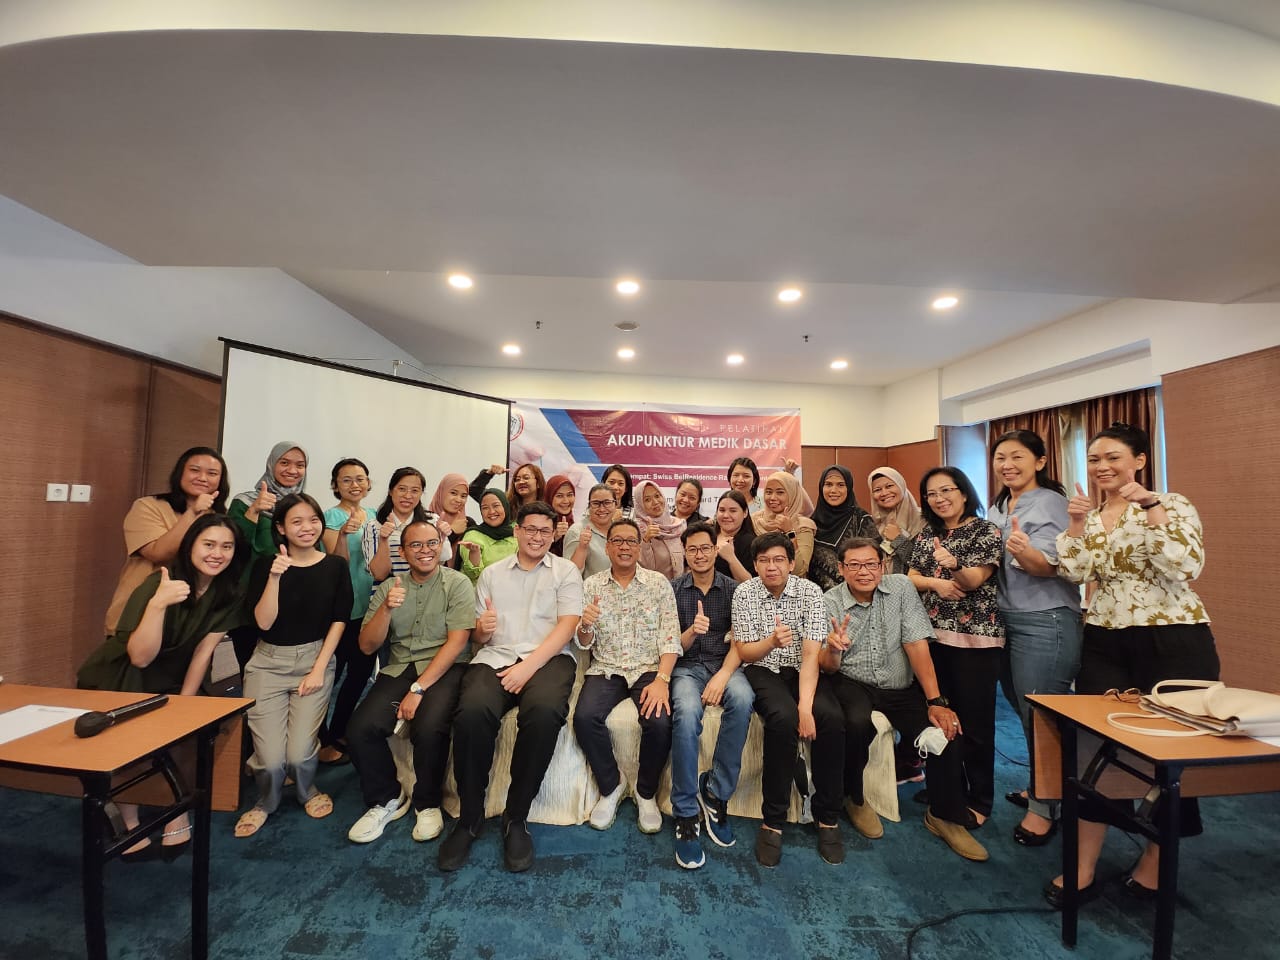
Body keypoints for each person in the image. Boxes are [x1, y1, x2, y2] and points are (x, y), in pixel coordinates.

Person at [1044, 422, 1218, 908]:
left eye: (1112, 457)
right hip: (1105, 636)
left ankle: (1155, 863)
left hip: (1174, 638)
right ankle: (1082, 866)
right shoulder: (1093, 514)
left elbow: (1185, 566)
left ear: (1139, 460)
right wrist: (1075, 524)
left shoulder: (1171, 503)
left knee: (1172, 750)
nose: (1102, 467)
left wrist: (1151, 506)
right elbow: (1075, 572)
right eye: (1094, 459)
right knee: (1095, 748)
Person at [78, 514, 249, 860]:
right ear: (190, 546)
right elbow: (140, 657)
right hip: (126, 672)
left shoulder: (228, 589)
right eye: (208, 544)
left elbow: (203, 652)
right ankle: (127, 819)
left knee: (192, 732)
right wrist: (159, 603)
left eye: (226, 546)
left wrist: (184, 703)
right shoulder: (159, 581)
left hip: (178, 672)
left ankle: (176, 809)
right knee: (129, 741)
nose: (217, 554)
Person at [819, 537, 988, 861]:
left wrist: (936, 701)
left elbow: (916, 644)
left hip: (899, 685)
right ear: (841, 569)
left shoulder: (901, 588)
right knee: (854, 724)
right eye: (854, 565)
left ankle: (944, 815)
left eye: (871, 564)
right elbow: (827, 667)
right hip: (853, 682)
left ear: (882, 565)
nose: (864, 572)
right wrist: (834, 650)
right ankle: (854, 798)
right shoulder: (830, 601)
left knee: (945, 731)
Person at [438, 502, 583, 873]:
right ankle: (470, 817)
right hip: (496, 656)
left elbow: (567, 626)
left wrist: (527, 668)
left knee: (545, 712)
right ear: (517, 531)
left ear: (553, 535)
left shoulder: (565, 571)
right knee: (472, 712)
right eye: (530, 529)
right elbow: (478, 636)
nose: (537, 537)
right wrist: (482, 630)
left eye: (545, 531)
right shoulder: (491, 573)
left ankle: (516, 816)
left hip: (548, 658)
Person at [345, 520, 476, 844]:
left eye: (431, 543)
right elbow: (367, 646)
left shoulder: (457, 583)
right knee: (360, 728)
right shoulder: (390, 587)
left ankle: (427, 802)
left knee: (429, 726)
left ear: (440, 546)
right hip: (399, 668)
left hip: (446, 667)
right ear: (402, 552)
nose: (425, 550)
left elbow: (458, 642)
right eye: (415, 545)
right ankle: (386, 798)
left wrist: (418, 689)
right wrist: (386, 610)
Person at [236, 493, 353, 838]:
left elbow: (339, 620)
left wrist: (319, 668)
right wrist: (275, 578)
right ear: (281, 528)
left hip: (315, 658)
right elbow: (263, 623)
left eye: (313, 520)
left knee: (299, 754)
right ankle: (266, 801)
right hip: (267, 663)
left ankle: (307, 790)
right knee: (271, 759)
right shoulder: (266, 565)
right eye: (297, 521)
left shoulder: (335, 566)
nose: (307, 527)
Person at [987, 430, 1082, 846]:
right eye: (1000, 457)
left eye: (1017, 456)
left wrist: (1022, 550)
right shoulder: (999, 505)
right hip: (1006, 618)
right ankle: (1044, 786)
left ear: (1040, 461)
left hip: (1044, 620)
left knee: (1042, 713)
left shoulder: (1051, 503)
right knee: (1022, 707)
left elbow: (1048, 566)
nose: (1007, 465)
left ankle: (1046, 807)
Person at [733, 531, 845, 867]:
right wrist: (770, 642)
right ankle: (773, 821)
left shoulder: (810, 592)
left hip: (801, 669)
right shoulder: (744, 593)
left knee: (831, 718)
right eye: (764, 560)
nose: (772, 566)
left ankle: (828, 817)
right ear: (755, 565)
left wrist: (806, 707)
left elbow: (811, 654)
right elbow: (745, 653)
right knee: (782, 719)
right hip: (762, 667)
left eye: (779, 559)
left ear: (792, 563)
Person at [906, 467, 1004, 829]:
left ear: (964, 493)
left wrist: (955, 565)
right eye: (931, 494)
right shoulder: (926, 534)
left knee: (974, 722)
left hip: (975, 640)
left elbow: (975, 579)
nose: (939, 499)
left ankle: (979, 799)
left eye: (946, 490)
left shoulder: (985, 531)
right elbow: (911, 577)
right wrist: (937, 583)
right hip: (931, 638)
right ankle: (946, 787)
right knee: (938, 716)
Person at [574, 518, 682, 835]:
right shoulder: (592, 585)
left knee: (659, 722)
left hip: (648, 667)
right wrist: (585, 625)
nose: (624, 546)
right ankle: (612, 784)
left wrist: (662, 680)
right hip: (606, 667)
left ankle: (645, 792)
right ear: (607, 547)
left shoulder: (658, 584)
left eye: (631, 541)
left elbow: (671, 637)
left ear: (639, 546)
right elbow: (584, 643)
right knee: (584, 717)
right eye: (617, 541)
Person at [668, 521, 753, 869]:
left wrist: (722, 675)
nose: (699, 554)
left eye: (705, 548)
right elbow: (670, 646)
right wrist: (691, 631)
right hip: (686, 668)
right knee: (687, 714)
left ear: (716, 550)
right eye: (692, 549)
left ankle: (716, 793)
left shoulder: (734, 590)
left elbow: (742, 642)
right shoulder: (673, 590)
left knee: (744, 700)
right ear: (685, 553)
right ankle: (686, 812)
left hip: (725, 666)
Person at [103, 446, 230, 637]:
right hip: (141, 613)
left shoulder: (219, 517)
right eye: (195, 470)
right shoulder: (148, 506)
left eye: (212, 473)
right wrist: (193, 512)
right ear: (180, 473)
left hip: (191, 620)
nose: (203, 478)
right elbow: (158, 553)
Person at [317, 457, 377, 765]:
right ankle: (318, 738)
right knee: (331, 675)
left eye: (360, 479)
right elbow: (335, 562)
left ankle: (338, 732)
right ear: (335, 485)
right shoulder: (330, 516)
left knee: (360, 675)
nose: (355, 485)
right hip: (342, 610)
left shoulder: (375, 514)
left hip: (371, 608)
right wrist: (342, 534)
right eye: (346, 480)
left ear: (368, 483)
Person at [363, 467, 444, 584]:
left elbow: (440, 564)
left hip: (427, 590)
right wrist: (383, 540)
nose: (408, 496)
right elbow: (379, 575)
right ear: (391, 491)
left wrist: (443, 537)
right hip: (389, 591)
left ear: (421, 493)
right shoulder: (374, 526)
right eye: (402, 489)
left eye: (415, 491)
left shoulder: (432, 521)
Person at [807, 465, 879, 592]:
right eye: (828, 484)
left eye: (840, 485)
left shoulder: (861, 519)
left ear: (849, 488)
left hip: (857, 596)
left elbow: (875, 560)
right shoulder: (811, 524)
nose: (833, 490)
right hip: (818, 598)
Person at [230, 441, 307, 557]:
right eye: (284, 463)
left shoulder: (306, 506)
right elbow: (231, 545)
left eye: (300, 465)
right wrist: (253, 510)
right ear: (271, 464)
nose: (292, 470)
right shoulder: (244, 502)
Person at [754, 471, 817, 579]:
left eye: (780, 492)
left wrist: (789, 531)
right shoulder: (755, 520)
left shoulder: (803, 526)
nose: (772, 497)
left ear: (792, 494)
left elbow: (799, 570)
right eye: (768, 492)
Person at [867, 467, 925, 575]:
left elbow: (925, 563)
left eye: (889, 486)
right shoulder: (871, 523)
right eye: (877, 490)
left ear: (901, 485)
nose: (884, 493)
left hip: (913, 584)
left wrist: (898, 539)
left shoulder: (923, 520)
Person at [459, 489, 518, 584]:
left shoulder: (517, 532)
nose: (491, 511)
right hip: (482, 590)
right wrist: (474, 553)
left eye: (496, 506)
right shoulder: (473, 535)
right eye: (485, 508)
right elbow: (472, 574)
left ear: (505, 506)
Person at [634, 479, 686, 578]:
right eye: (647, 500)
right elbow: (646, 569)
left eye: (657, 496)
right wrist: (646, 540)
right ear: (640, 505)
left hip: (680, 586)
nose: (655, 502)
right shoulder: (637, 530)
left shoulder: (678, 526)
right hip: (654, 586)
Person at [564, 483, 615, 577]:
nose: (602, 509)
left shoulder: (620, 529)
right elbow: (569, 575)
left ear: (615, 504)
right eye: (596, 503)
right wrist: (582, 548)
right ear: (589, 506)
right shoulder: (576, 531)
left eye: (607, 503)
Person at [712, 490, 755, 583]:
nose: (726, 515)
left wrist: (731, 557)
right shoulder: (707, 536)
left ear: (745, 513)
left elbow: (751, 585)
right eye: (722, 510)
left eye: (733, 511)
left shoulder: (752, 543)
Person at [428, 472, 474, 557]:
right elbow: (429, 552)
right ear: (442, 492)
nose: (458, 500)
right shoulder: (427, 521)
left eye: (463, 496)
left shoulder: (468, 523)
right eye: (453, 493)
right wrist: (453, 532)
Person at [470, 462, 546, 512]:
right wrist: (489, 473)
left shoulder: (546, 508)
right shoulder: (505, 503)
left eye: (526, 478)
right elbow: (474, 490)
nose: (521, 482)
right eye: (517, 479)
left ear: (538, 483)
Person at [543, 473, 576, 556]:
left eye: (570, 495)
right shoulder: (539, 522)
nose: (566, 501)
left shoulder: (578, 522)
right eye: (559, 496)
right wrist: (553, 538)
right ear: (550, 497)